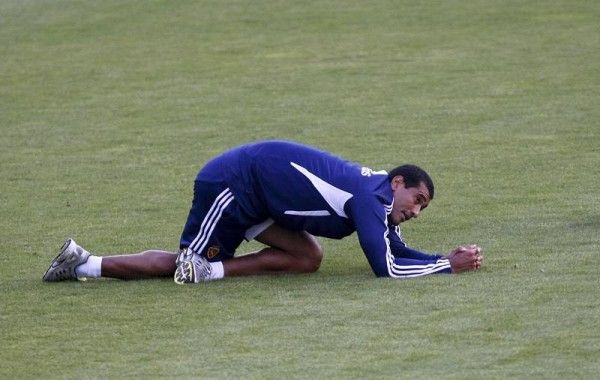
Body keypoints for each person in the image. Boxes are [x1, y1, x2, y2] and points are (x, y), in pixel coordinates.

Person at [43, 140, 483, 284]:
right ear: (398, 183)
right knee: (186, 266)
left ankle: (214, 272)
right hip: (234, 185)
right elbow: (384, 268)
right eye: (418, 201)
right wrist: (449, 266)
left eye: (423, 208)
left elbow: (396, 249)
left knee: (308, 258)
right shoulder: (370, 199)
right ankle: (83, 263)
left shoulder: (378, 199)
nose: (417, 211)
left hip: (262, 194)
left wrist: (444, 257)